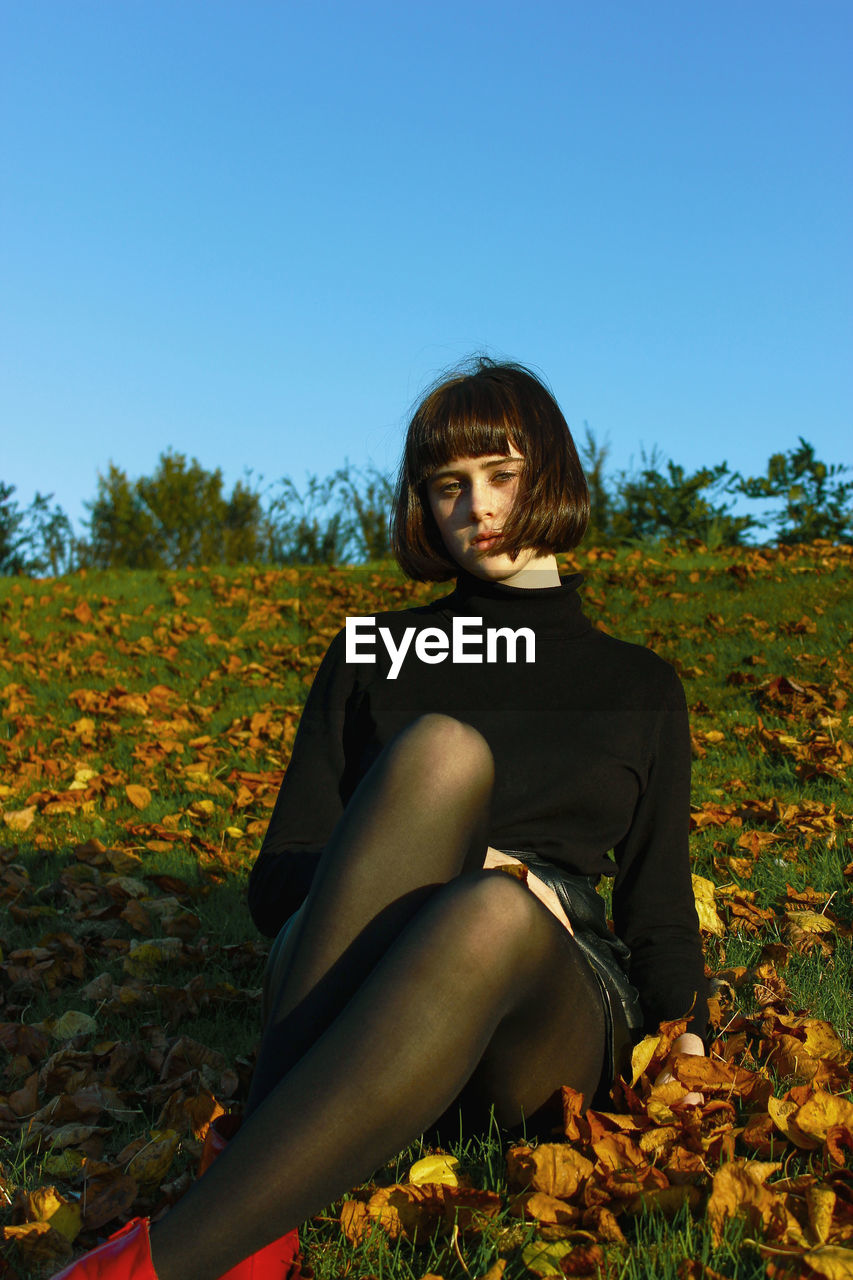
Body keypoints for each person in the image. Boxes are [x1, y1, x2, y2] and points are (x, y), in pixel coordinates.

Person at [53, 358, 709, 1280]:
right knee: (441, 756)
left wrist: (687, 1043)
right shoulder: (375, 653)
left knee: (490, 913)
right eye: (448, 485)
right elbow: (280, 879)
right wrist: (439, 861)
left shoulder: (640, 685)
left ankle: (193, 1234)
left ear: (553, 473)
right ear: (424, 507)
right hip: (354, 990)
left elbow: (659, 917)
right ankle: (232, 1231)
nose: (476, 506)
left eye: (501, 474)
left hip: (538, 1004)